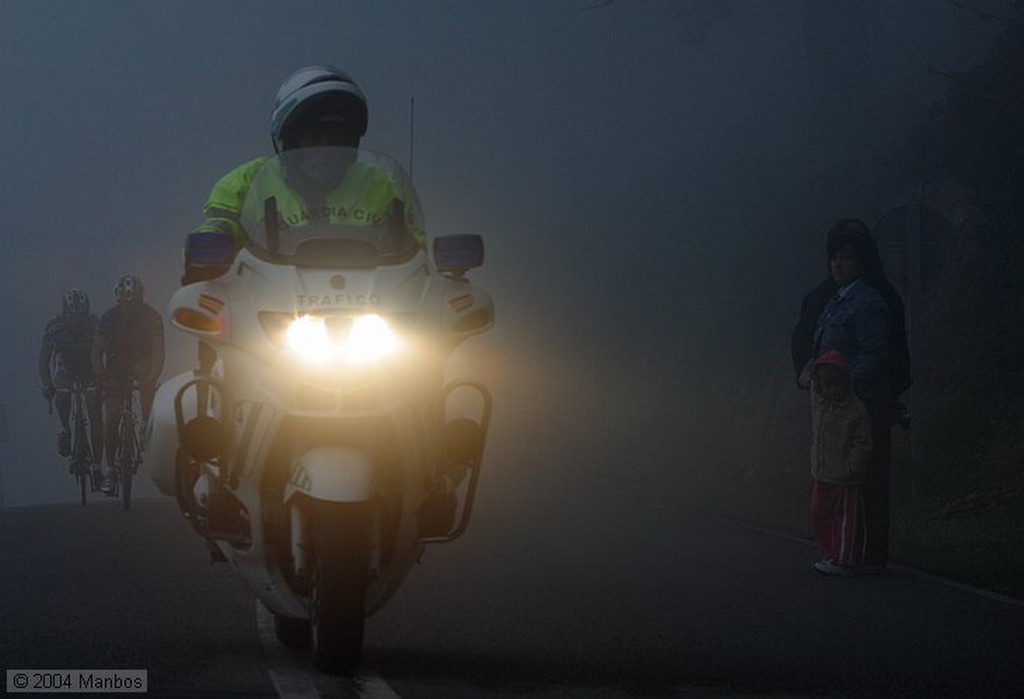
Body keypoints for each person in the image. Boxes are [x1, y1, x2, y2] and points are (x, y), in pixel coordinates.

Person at [183, 65, 424, 285]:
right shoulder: (246, 183)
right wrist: (207, 250)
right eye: (313, 137)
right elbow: (221, 225)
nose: (325, 148)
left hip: (378, 310)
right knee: (207, 321)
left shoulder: (384, 185)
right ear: (290, 140)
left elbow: (418, 253)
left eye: (337, 137)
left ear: (352, 140)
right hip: (267, 307)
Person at [792, 219, 906, 570]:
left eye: (846, 258)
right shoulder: (834, 301)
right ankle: (844, 551)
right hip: (836, 406)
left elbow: (874, 354)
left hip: (864, 403)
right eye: (834, 258)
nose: (838, 265)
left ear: (862, 262)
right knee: (840, 480)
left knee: (862, 481)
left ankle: (863, 556)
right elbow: (823, 347)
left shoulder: (867, 302)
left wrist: (842, 382)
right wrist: (811, 371)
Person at [91, 275, 165, 494]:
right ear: (118, 299)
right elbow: (96, 353)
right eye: (125, 302)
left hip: (141, 363)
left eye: (134, 303)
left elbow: (159, 353)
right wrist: (103, 378)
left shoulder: (152, 316)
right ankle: (110, 469)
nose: (129, 307)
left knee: (146, 377)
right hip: (115, 367)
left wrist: (152, 377)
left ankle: (144, 425)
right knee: (112, 415)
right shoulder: (108, 318)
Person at [809, 349, 873, 576]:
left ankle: (844, 559)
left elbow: (862, 443)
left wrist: (851, 468)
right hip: (822, 474)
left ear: (845, 382)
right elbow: (811, 379)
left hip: (845, 478)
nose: (833, 390)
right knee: (819, 514)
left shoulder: (856, 410)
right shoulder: (819, 402)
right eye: (828, 385)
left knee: (845, 520)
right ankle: (830, 553)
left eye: (837, 385)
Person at [38, 289, 103, 478]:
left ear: (87, 311)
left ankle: (97, 465)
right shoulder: (55, 327)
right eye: (72, 315)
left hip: (89, 369)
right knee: (62, 393)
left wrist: (105, 379)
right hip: (65, 368)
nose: (77, 319)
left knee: (95, 415)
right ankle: (66, 428)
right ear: (65, 312)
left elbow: (104, 353)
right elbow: (44, 361)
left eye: (81, 315)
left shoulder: (96, 325)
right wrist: (47, 385)